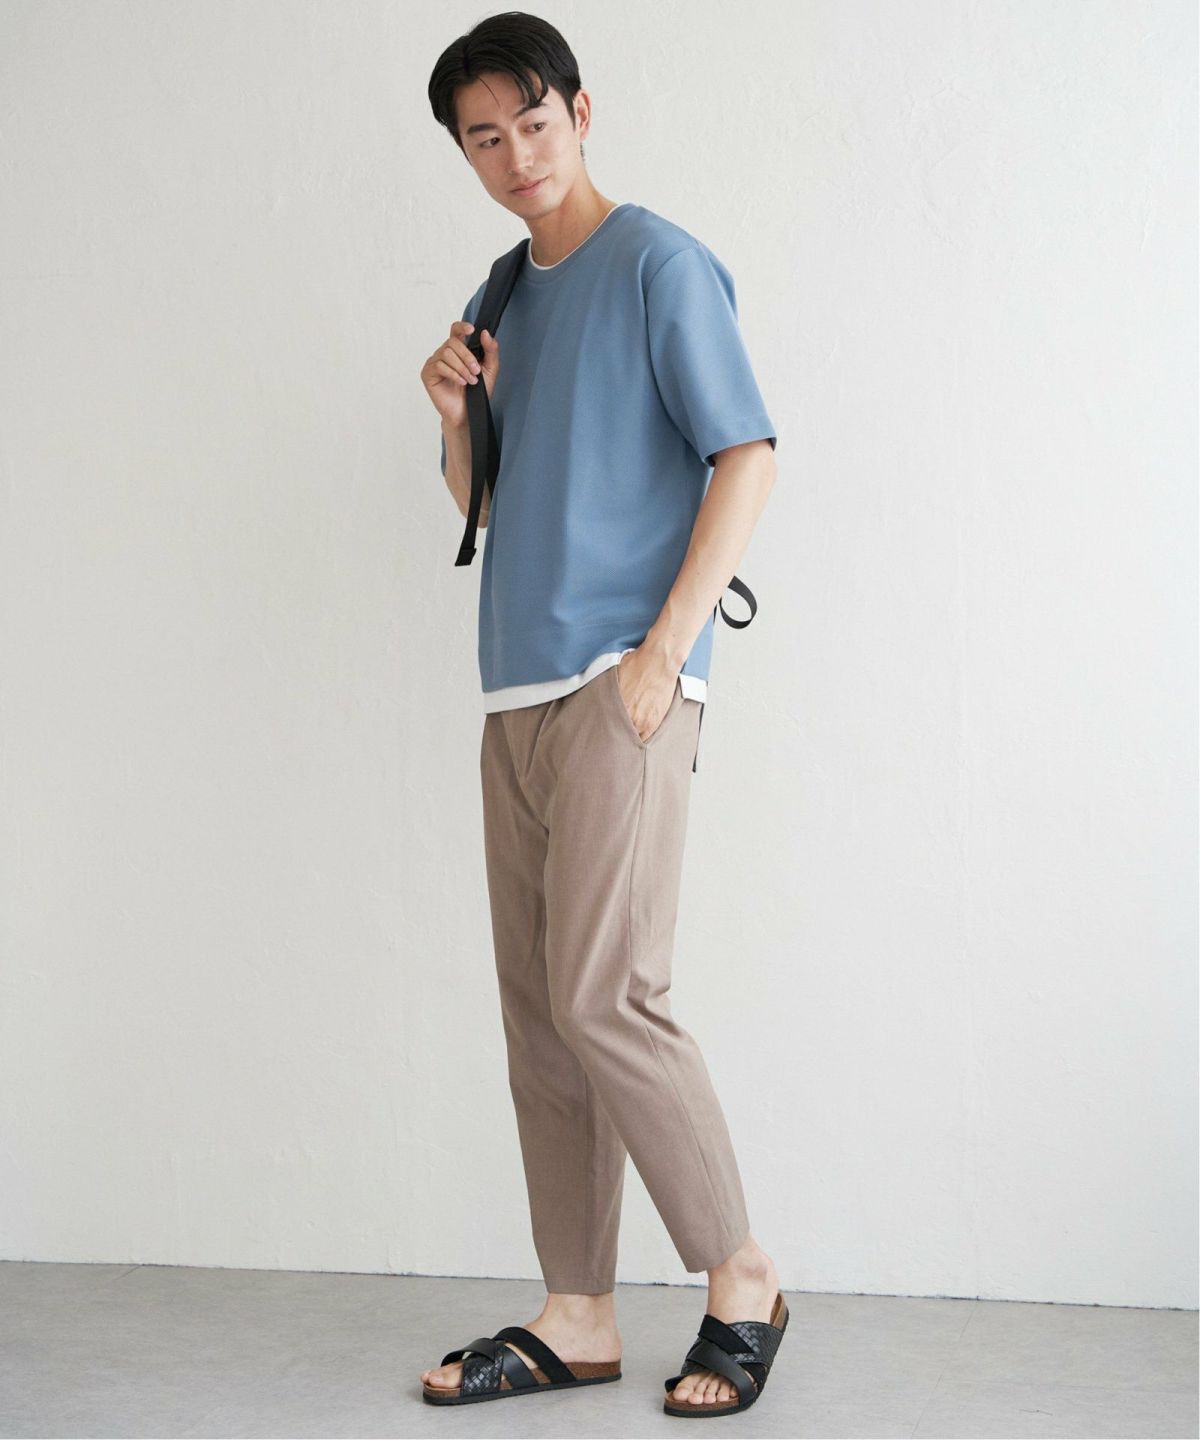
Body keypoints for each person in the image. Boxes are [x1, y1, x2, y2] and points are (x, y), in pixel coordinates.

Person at [418, 11, 788, 1419]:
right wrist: (452, 419)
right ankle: (577, 1311)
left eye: (533, 122)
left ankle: (741, 1274)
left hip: (619, 683)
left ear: (582, 112)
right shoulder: (503, 292)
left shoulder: (657, 264)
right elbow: (493, 504)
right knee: (541, 1017)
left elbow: (747, 455)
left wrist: (663, 653)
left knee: (605, 995)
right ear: (466, 154)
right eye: (484, 138)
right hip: (513, 688)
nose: (515, 154)